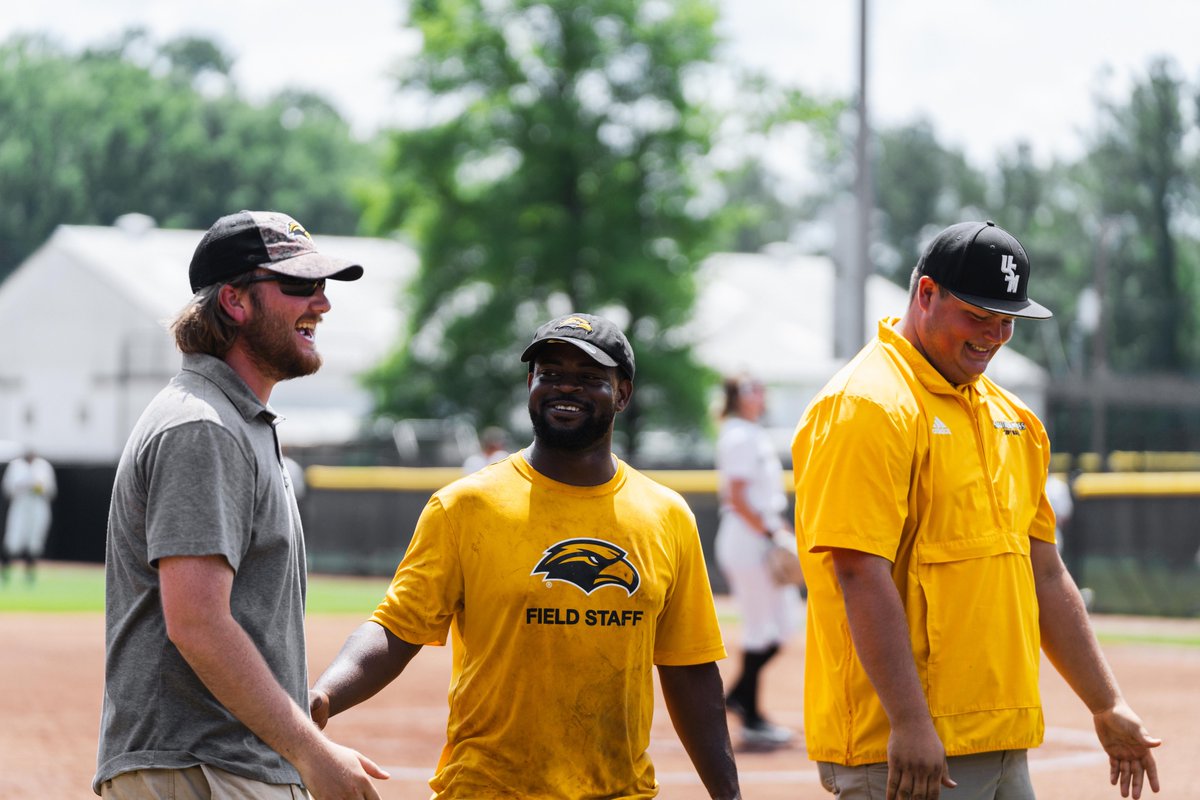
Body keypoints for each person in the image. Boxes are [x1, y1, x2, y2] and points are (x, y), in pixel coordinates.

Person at [791, 221, 1161, 800]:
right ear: (926, 294)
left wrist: (1106, 702)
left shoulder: (1011, 417)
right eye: (978, 316)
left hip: (1000, 736)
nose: (994, 335)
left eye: (1007, 320)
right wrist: (911, 722)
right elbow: (859, 571)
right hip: (907, 747)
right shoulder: (868, 405)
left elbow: (1043, 571)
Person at [310, 312, 741, 799]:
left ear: (622, 394)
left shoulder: (667, 515)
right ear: (529, 384)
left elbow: (690, 669)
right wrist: (324, 695)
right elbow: (395, 629)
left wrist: (729, 796)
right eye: (550, 373)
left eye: (589, 377)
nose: (566, 387)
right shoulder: (465, 506)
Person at [94, 211, 389, 799]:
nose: (322, 303)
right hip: (198, 767)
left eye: (322, 285)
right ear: (234, 300)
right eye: (299, 285)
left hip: (221, 761)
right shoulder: (202, 426)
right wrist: (312, 752)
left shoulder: (233, 420)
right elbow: (197, 623)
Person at [713, 375, 801, 748]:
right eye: (750, 389)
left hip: (760, 534)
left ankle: (738, 696)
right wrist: (769, 533)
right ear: (737, 396)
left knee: (783, 625)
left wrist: (776, 529)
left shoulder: (750, 432)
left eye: (760, 388)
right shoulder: (738, 434)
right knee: (760, 627)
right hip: (747, 539)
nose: (758, 395)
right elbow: (736, 497)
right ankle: (751, 715)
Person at [1, 448, 57, 584]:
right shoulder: (15, 466)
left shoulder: (44, 466)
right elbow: (7, 489)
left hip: (38, 505)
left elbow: (51, 490)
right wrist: (23, 486)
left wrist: (39, 488)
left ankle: (29, 574)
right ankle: (5, 571)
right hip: (20, 505)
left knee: (35, 541)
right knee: (13, 539)